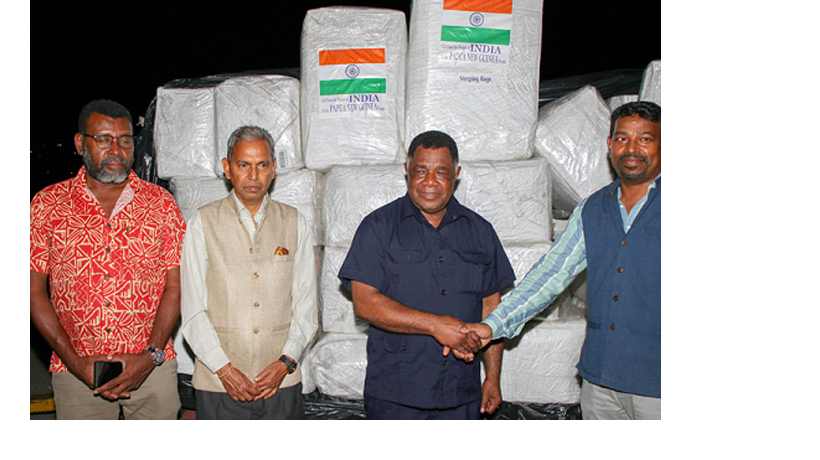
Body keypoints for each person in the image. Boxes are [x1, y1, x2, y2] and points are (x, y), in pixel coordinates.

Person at [465, 101, 661, 420]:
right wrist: (492, 326)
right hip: (600, 382)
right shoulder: (592, 209)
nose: (632, 148)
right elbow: (550, 276)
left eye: (645, 138)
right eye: (623, 138)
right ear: (610, 145)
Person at [337, 130, 516, 420]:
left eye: (441, 172)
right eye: (421, 171)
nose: (430, 182)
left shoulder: (480, 231)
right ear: (407, 171)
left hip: (461, 394)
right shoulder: (378, 227)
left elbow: (491, 309)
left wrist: (492, 377)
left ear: (456, 174)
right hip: (396, 396)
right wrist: (435, 326)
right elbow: (365, 302)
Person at [29, 99, 185, 419]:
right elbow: (32, 291)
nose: (116, 149)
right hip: (77, 373)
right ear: (79, 143)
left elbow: (176, 286)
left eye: (125, 140)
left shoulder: (161, 204)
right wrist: (74, 362)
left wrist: (149, 356)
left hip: (152, 372)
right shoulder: (48, 205)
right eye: (103, 139)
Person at [180, 125, 318, 420]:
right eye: (244, 165)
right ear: (227, 169)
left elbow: (307, 305)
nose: (253, 176)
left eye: (262, 165)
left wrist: (285, 362)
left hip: (280, 384)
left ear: (274, 169)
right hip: (218, 385)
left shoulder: (295, 222)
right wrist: (225, 370)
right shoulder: (202, 224)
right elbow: (192, 310)